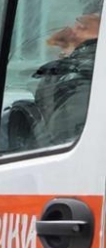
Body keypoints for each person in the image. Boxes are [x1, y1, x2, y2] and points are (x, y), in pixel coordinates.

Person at [30, 10, 100, 146]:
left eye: (81, 23)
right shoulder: (72, 75)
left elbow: (60, 135)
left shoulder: (77, 78)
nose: (76, 26)